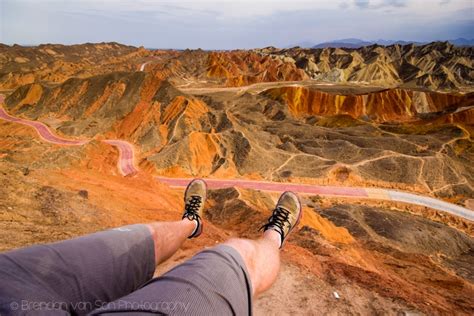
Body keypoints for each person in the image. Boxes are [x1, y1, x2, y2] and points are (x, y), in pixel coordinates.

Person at [0, 179, 302, 315]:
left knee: (146, 239)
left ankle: (191, 223)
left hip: (8, 282)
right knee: (236, 256)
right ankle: (275, 234)